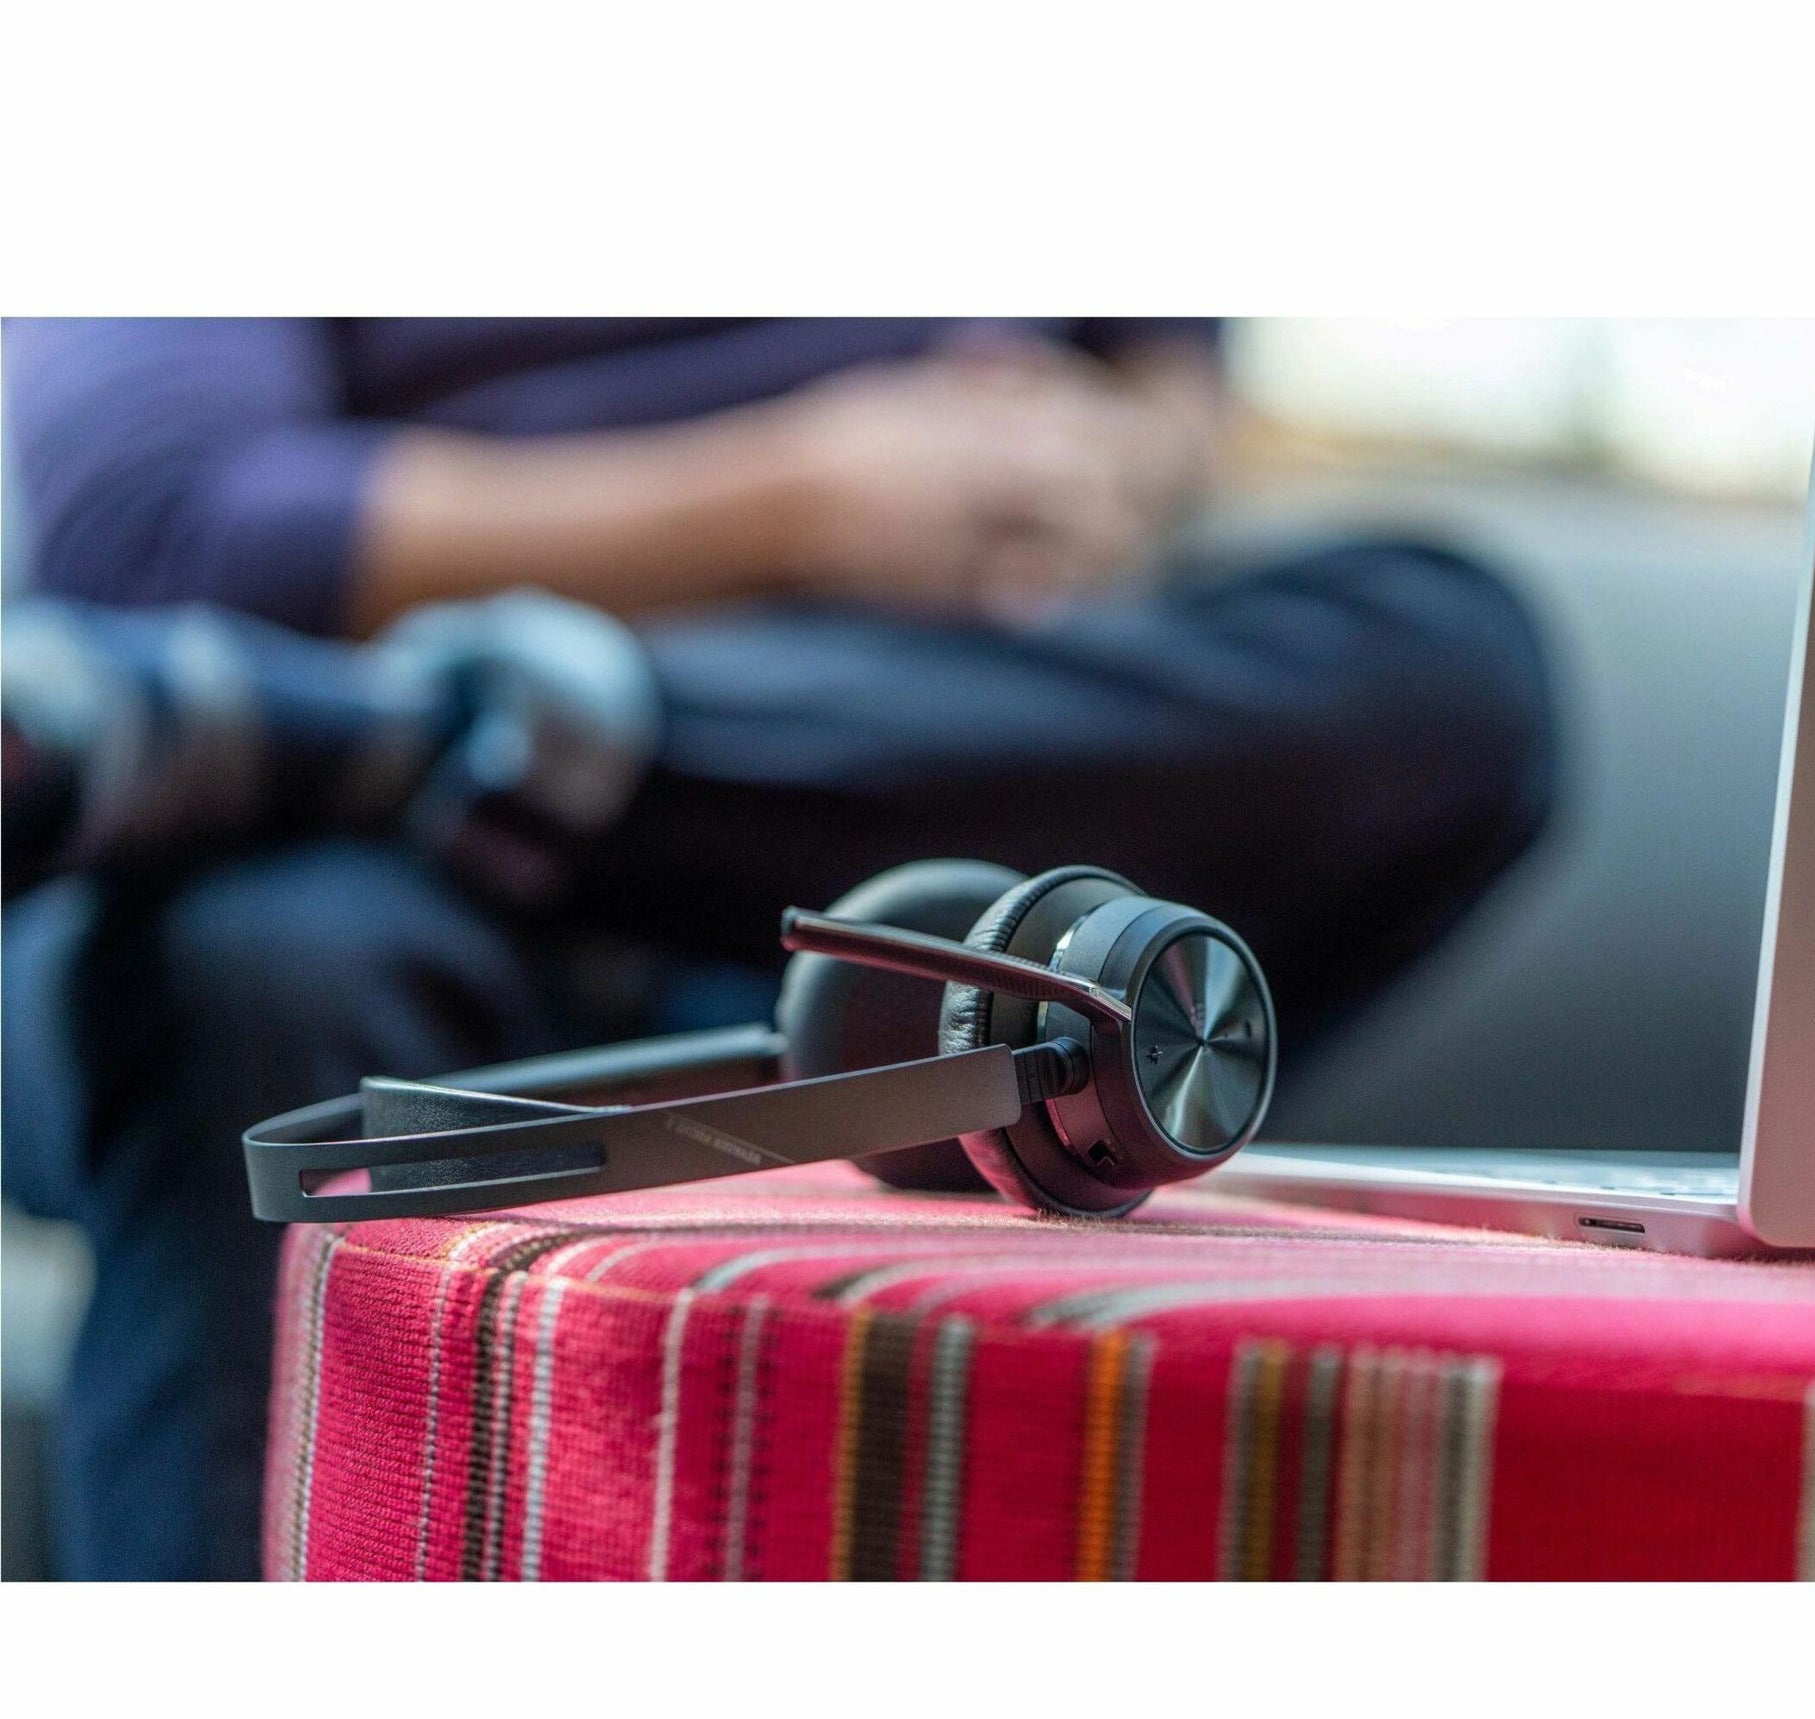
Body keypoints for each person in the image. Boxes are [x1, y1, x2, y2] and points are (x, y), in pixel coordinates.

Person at [1, 318, 1555, 1578]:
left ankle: (426, 735)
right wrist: (790, 497)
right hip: (362, 901)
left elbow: (1166, 362)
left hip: (912, 836)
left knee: (1455, 665)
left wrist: (1092, 470)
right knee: (246, 960)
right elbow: (153, 530)